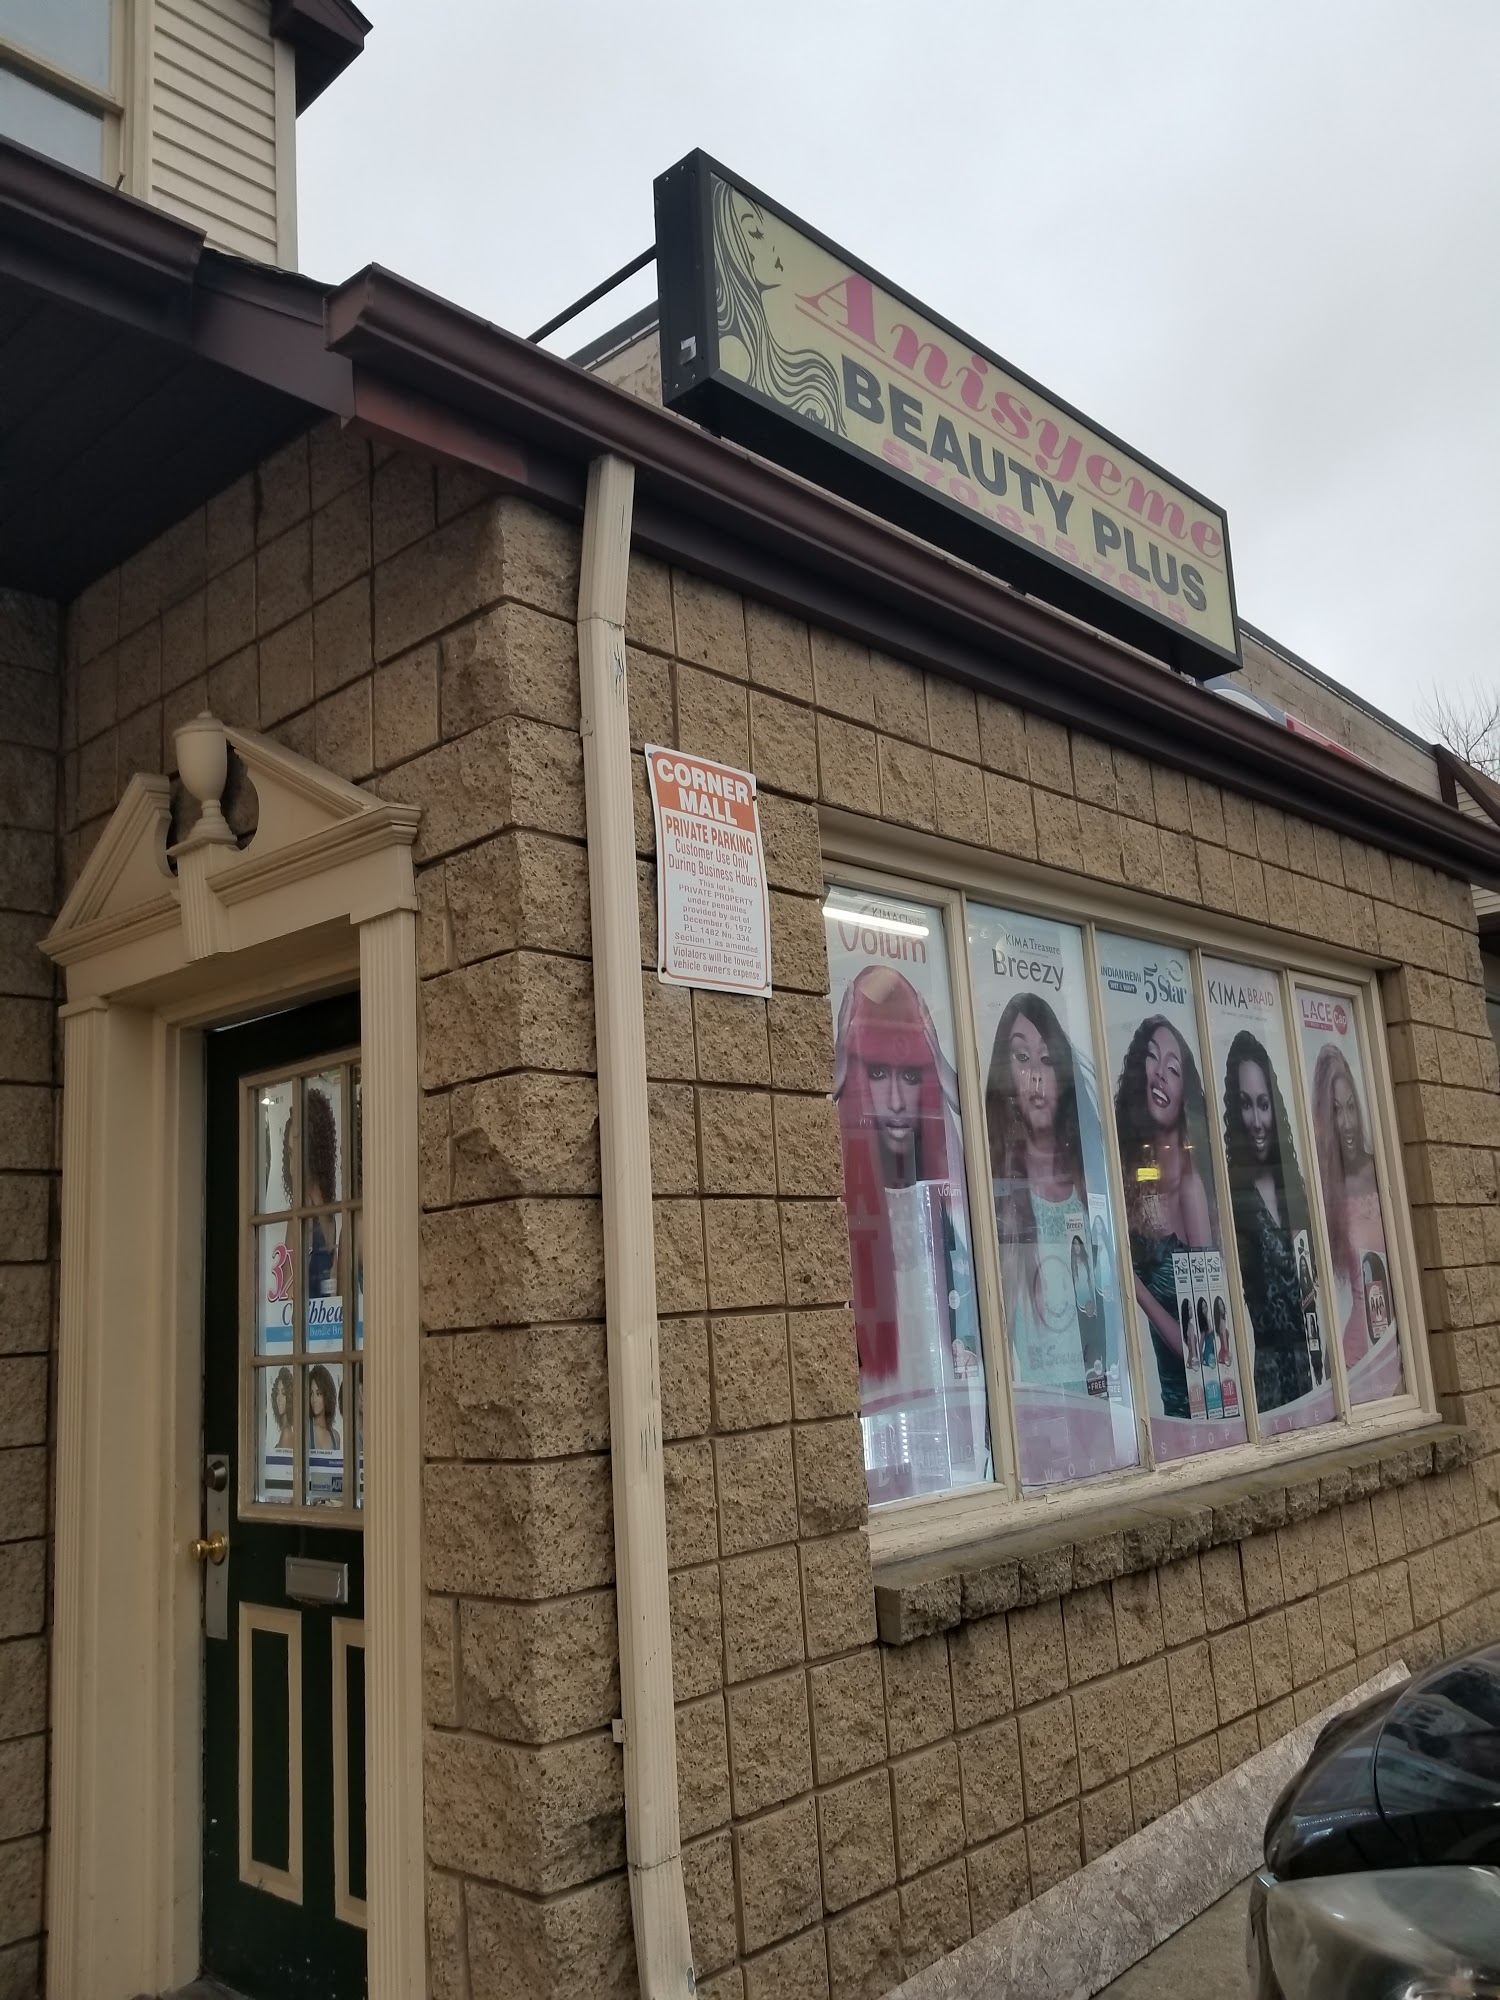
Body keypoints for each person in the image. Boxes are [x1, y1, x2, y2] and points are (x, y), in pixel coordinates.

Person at [833, 965, 979, 1500]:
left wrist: (940, 1063)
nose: (896, 1099)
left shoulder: (947, 1193)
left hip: (949, 1429)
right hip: (875, 1437)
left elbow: (998, 1137)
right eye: (877, 1073)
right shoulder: (839, 1197)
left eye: (910, 1076)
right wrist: (840, 1063)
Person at [985, 994, 1101, 1389]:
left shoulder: (1087, 1179)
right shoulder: (1000, 1185)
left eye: (1047, 1059)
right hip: (1034, 1402)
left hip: (1099, 1394)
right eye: (1022, 1058)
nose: (1035, 1075)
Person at [1114, 1015, 1217, 1418]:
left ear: (1183, 1094)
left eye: (1173, 1069)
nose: (1159, 1073)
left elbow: (1204, 1344)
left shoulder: (1190, 1190)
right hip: (1168, 1413)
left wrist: (1135, 1288)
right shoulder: (1141, 1180)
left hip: (1202, 1411)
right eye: (1152, 1058)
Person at [1222, 1031, 1316, 1413]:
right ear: (1235, 1111)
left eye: (1263, 1104)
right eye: (1246, 1105)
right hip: (1269, 1381)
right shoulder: (1233, 1196)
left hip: (1315, 1367)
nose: (1258, 1121)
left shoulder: (1292, 1185)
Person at [714, 180, 846, 434]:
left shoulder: (787, 359)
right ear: (730, 245)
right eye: (755, 233)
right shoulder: (731, 349)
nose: (773, 246)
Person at [1311, 1045, 1389, 1367]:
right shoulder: (1327, 1192)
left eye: (1351, 1107)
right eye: (1336, 1111)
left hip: (1399, 1344)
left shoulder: (1381, 1170)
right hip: (1357, 1359)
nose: (1347, 1123)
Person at [307, 1364, 341, 1455]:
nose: (314, 1399)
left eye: (319, 1394)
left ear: (327, 1395)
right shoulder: (305, 1432)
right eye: (311, 1394)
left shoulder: (336, 1437)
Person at [269, 1366, 295, 1452]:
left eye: (283, 1393)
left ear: (290, 1397)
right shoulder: (285, 1429)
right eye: (277, 1393)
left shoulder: (286, 1433)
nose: (279, 1398)